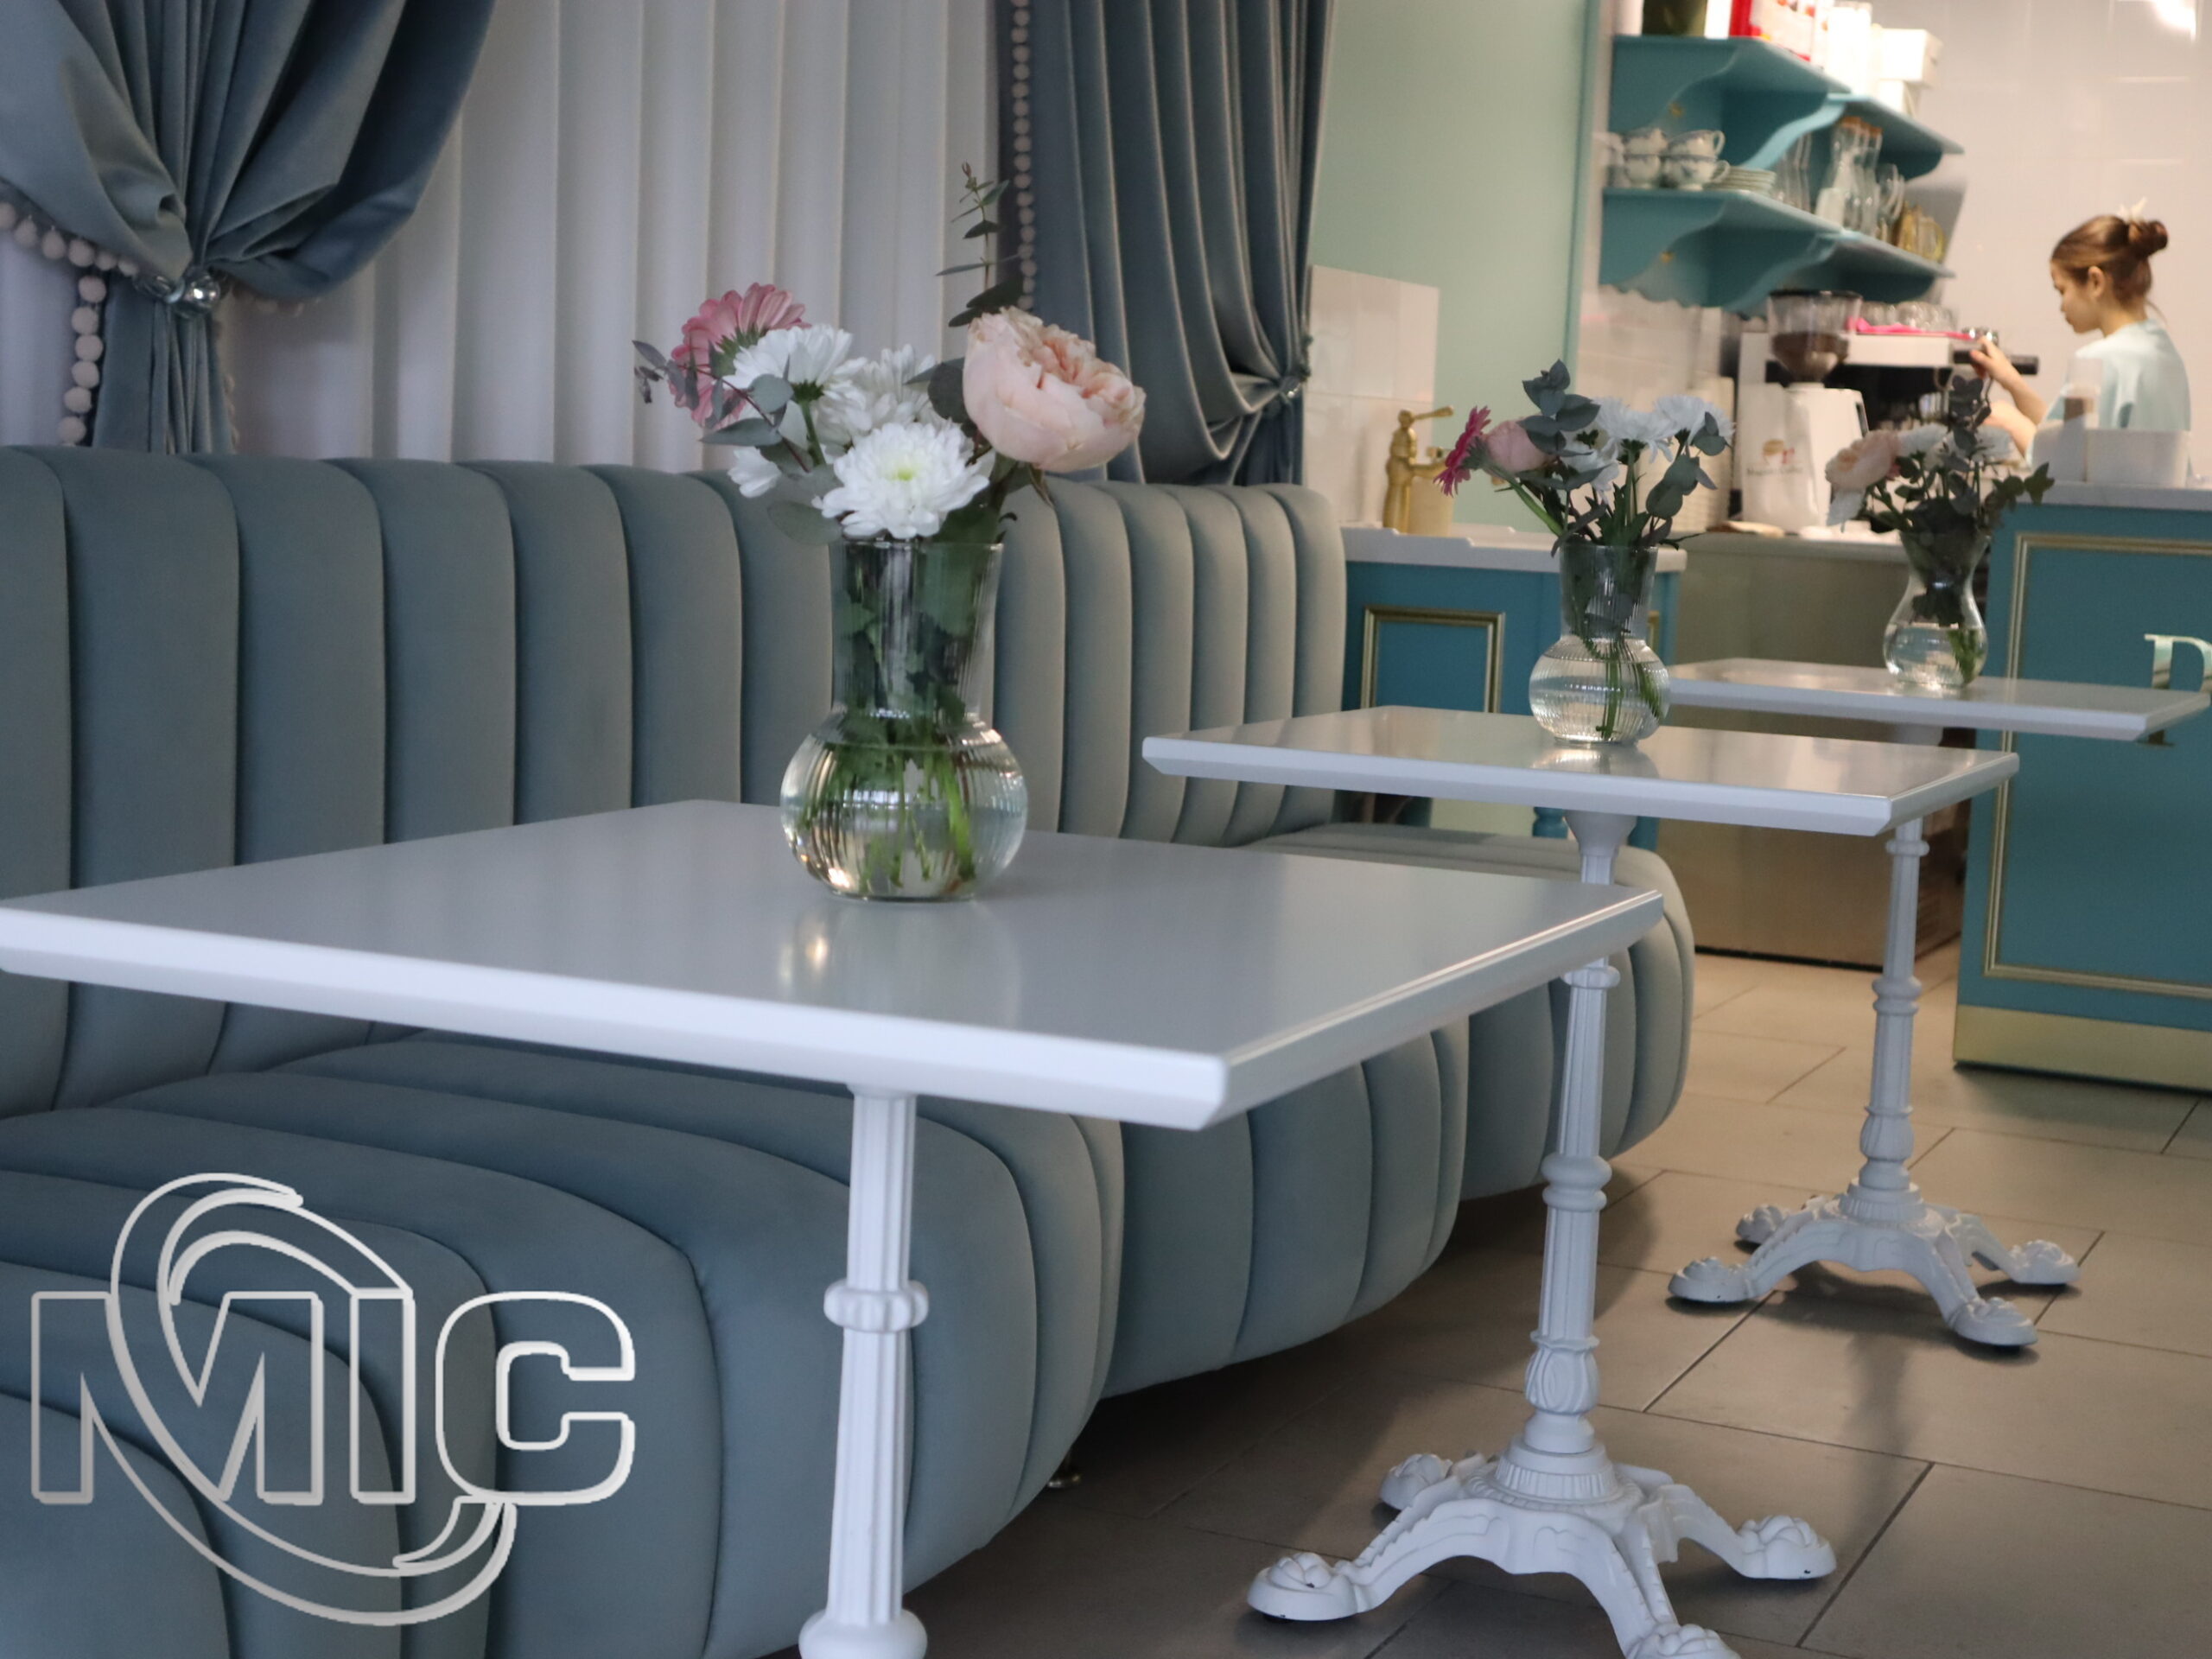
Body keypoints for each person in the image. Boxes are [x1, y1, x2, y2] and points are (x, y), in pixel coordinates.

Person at [1973, 212, 2190, 457]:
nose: (2061, 306)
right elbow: (2070, 435)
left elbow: (2061, 464)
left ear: (2096, 282)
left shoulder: (2101, 360)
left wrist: (2011, 422)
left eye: (2062, 290)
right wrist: (2011, 381)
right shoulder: (2165, 353)